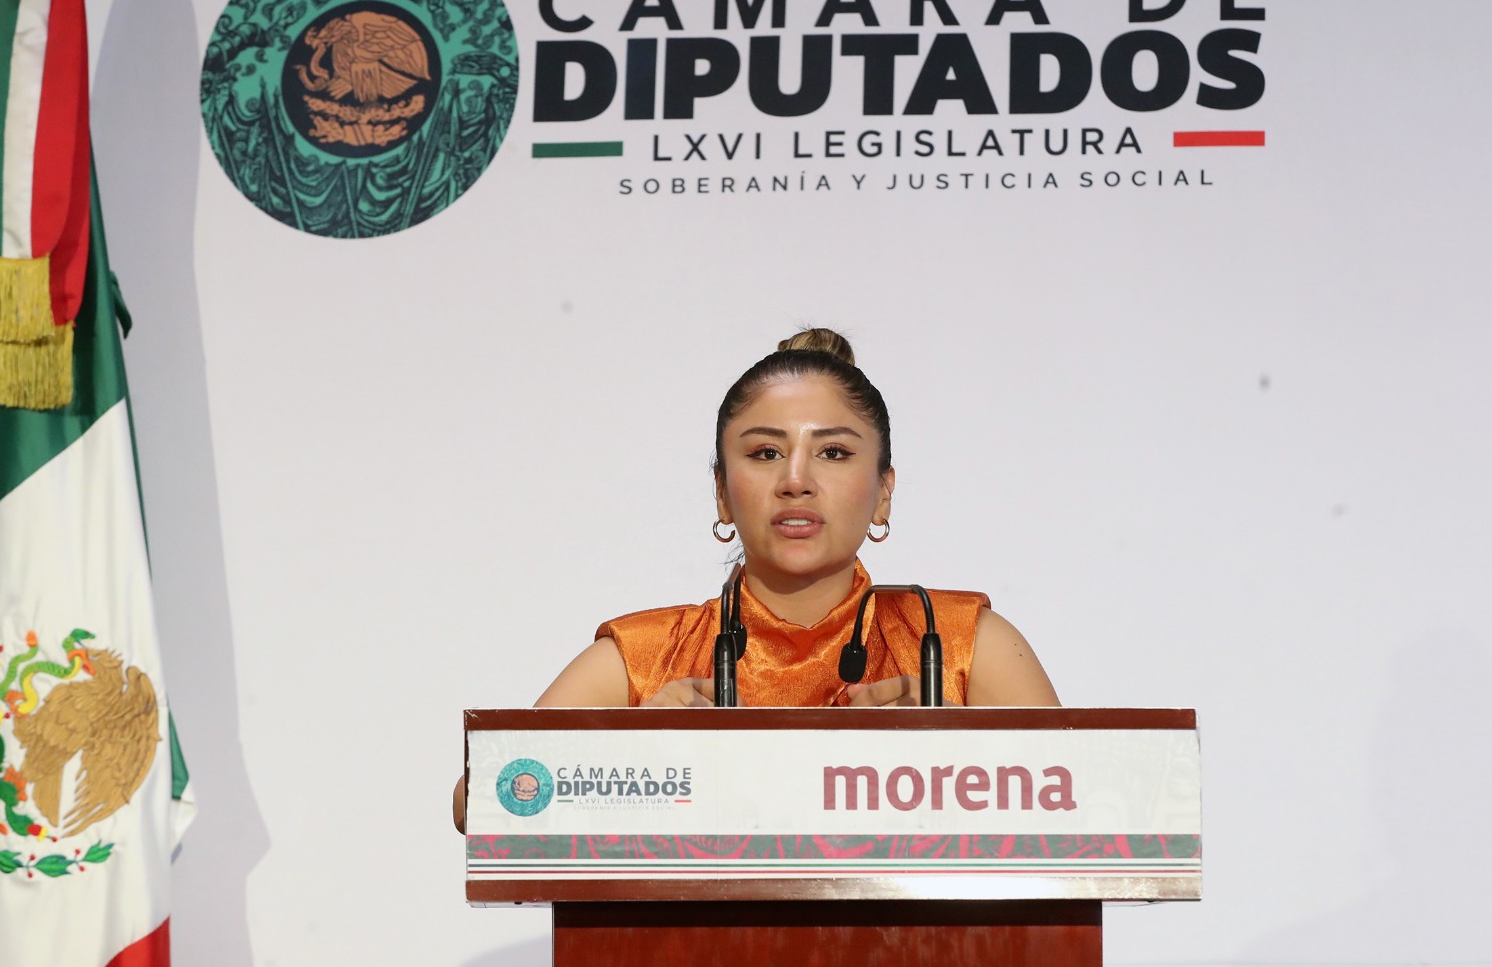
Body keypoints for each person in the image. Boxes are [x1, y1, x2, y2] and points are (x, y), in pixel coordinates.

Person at [452, 329, 1057, 832]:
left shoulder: (960, 646)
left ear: (884, 492)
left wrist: (968, 758)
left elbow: (1083, 803)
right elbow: (480, 801)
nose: (795, 481)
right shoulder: (645, 659)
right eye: (766, 453)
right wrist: (630, 753)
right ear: (721, 491)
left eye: (834, 453)